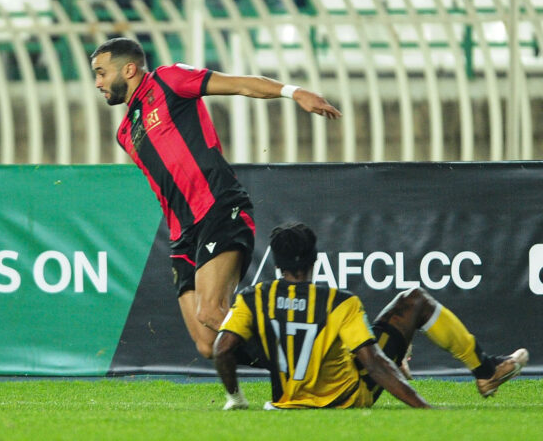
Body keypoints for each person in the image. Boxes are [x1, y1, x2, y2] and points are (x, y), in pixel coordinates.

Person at [90, 38, 341, 359]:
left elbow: (241, 85)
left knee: (211, 311)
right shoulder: (125, 132)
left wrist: (295, 92)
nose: (97, 83)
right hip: (182, 235)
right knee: (207, 344)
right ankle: (245, 394)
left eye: (101, 73)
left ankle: (313, 364)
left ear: (128, 69)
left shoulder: (169, 80)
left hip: (217, 208)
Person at [213, 222, 529, 410]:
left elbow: (222, 348)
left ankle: (404, 355)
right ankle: (484, 370)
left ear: (277, 264)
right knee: (414, 300)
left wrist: (236, 397)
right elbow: (373, 364)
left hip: (285, 401)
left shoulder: (252, 298)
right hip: (347, 398)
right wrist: (425, 408)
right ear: (314, 259)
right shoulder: (339, 302)